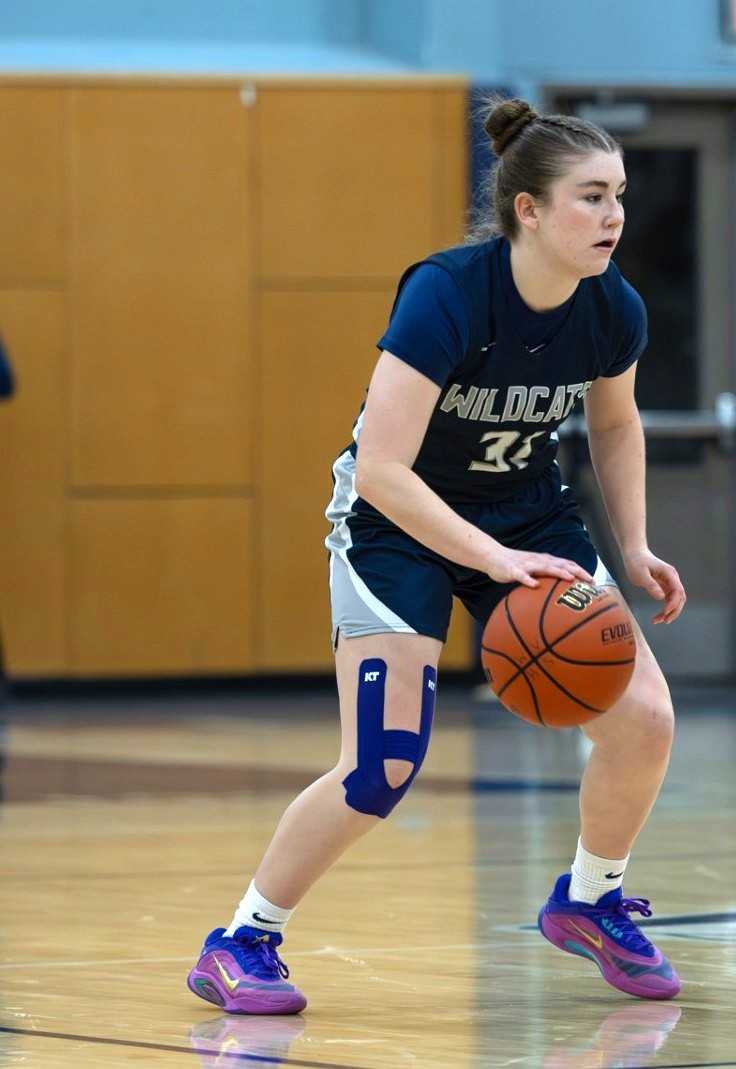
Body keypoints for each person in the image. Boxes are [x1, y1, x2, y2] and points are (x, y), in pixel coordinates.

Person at [187, 97, 687, 1014]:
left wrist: (636, 543)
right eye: (590, 197)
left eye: (619, 196)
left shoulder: (612, 308)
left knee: (644, 719)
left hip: (528, 513)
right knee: (381, 760)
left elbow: (614, 423)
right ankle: (242, 938)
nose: (613, 216)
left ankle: (591, 897)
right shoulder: (448, 293)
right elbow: (381, 470)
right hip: (396, 521)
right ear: (527, 210)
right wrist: (493, 560)